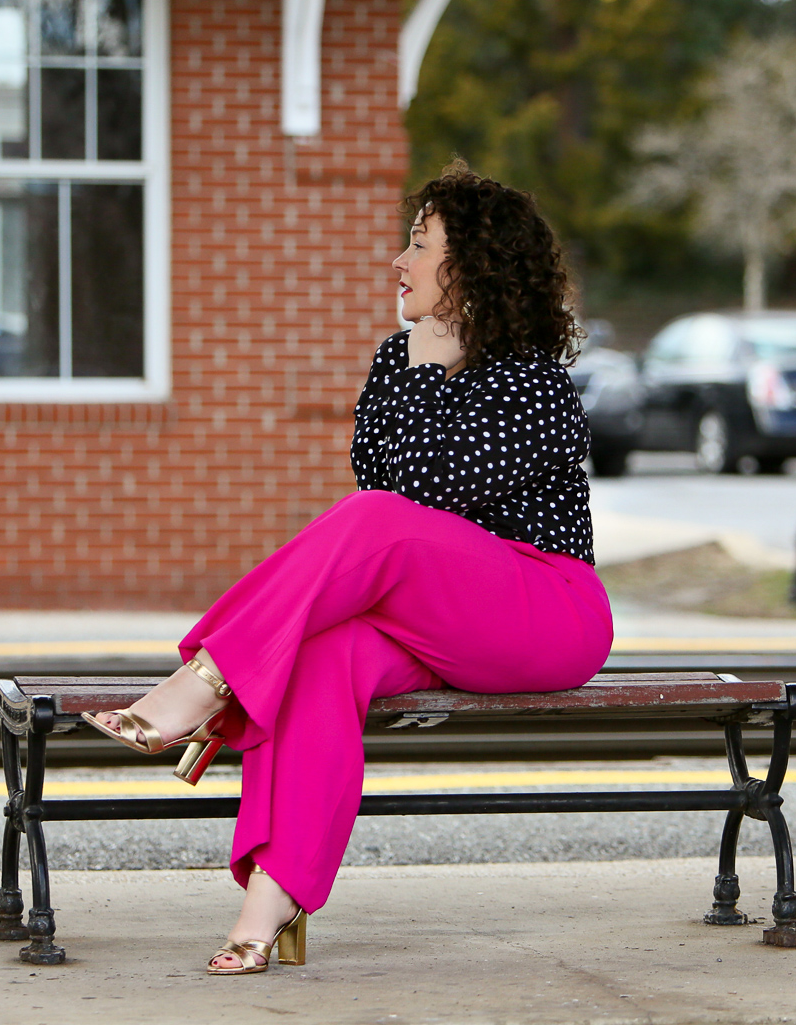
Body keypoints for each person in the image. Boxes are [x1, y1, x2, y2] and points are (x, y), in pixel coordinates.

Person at [82, 160, 613, 975]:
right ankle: (274, 897)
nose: (397, 262)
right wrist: (421, 362)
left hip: (544, 609)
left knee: (374, 523)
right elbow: (383, 474)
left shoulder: (533, 382)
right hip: (436, 616)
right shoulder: (394, 361)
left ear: (471, 266)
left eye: (418, 244)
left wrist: (434, 366)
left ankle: (207, 679)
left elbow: (423, 495)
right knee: (319, 656)